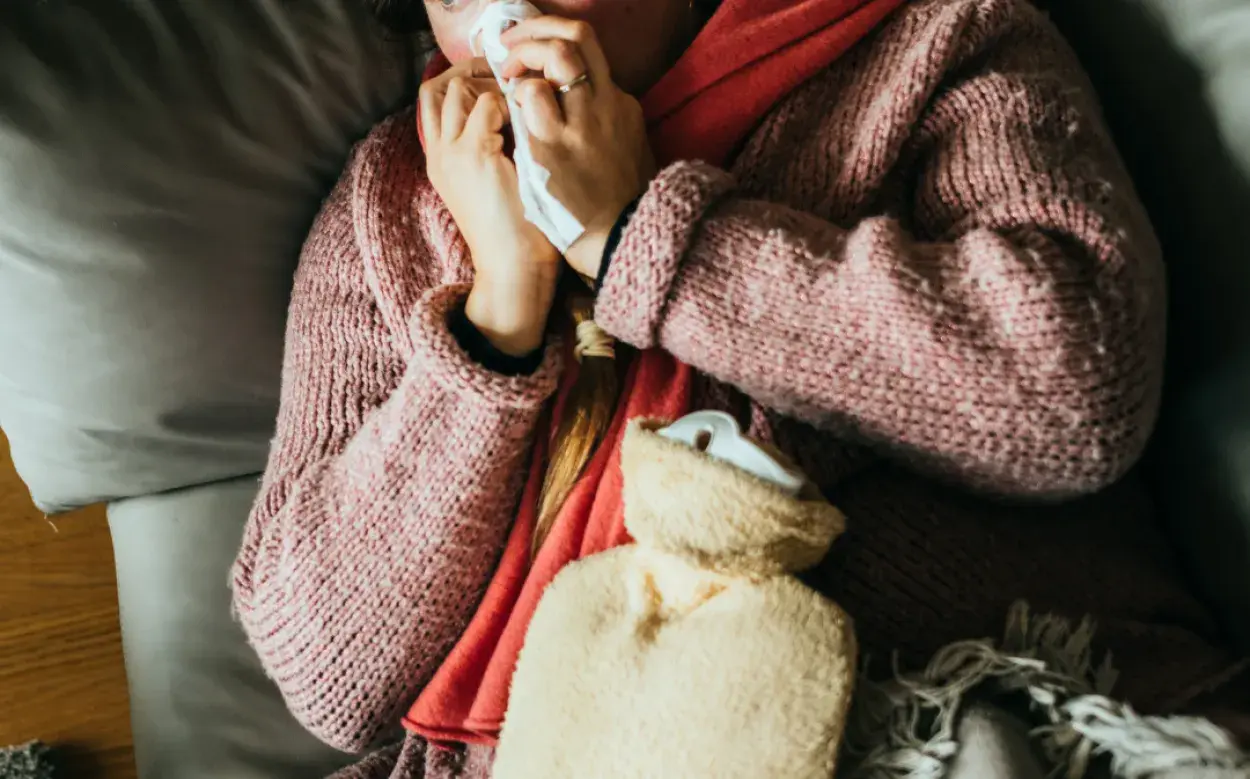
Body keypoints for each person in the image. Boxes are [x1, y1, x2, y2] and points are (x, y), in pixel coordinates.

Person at [231, 0, 1248, 777]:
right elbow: (327, 675)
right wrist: (497, 317)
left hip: (963, 703)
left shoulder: (936, 44)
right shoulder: (390, 203)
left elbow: (1075, 396)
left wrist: (636, 237)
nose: (509, 11)